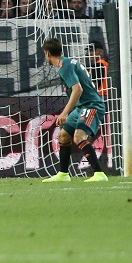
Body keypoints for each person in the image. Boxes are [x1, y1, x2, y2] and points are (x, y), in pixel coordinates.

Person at [41, 37, 108, 183]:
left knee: (79, 137)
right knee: (64, 136)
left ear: (47, 53)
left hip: (91, 105)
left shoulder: (64, 67)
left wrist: (65, 113)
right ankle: (63, 174)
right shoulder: (67, 62)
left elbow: (78, 89)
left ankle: (99, 174)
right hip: (81, 106)